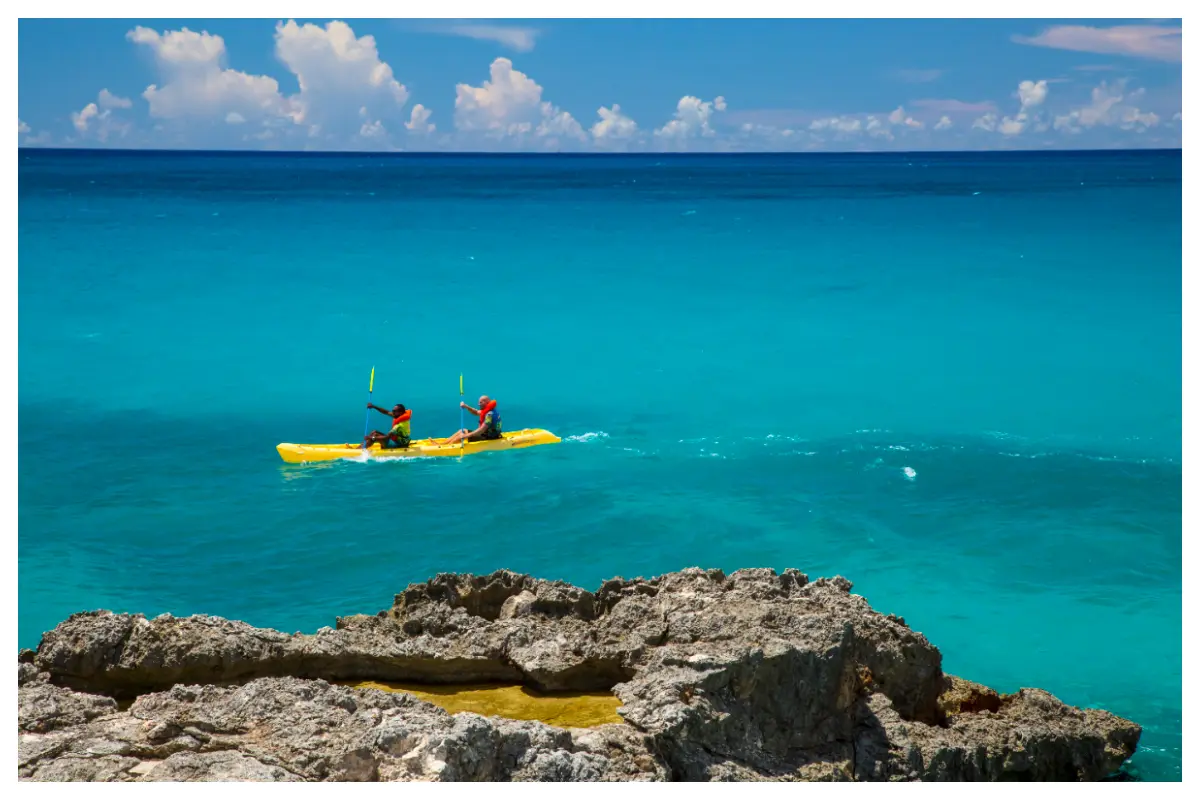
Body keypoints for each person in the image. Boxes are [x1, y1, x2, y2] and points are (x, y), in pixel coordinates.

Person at [433, 395, 502, 446]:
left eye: (480, 402)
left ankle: (448, 447)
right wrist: (466, 406)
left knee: (461, 435)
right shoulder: (488, 410)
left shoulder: (490, 414)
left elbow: (482, 430)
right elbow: (476, 412)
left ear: (486, 402)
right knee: (462, 430)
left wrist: (466, 436)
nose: (478, 404)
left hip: (489, 437)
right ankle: (443, 443)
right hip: (485, 434)